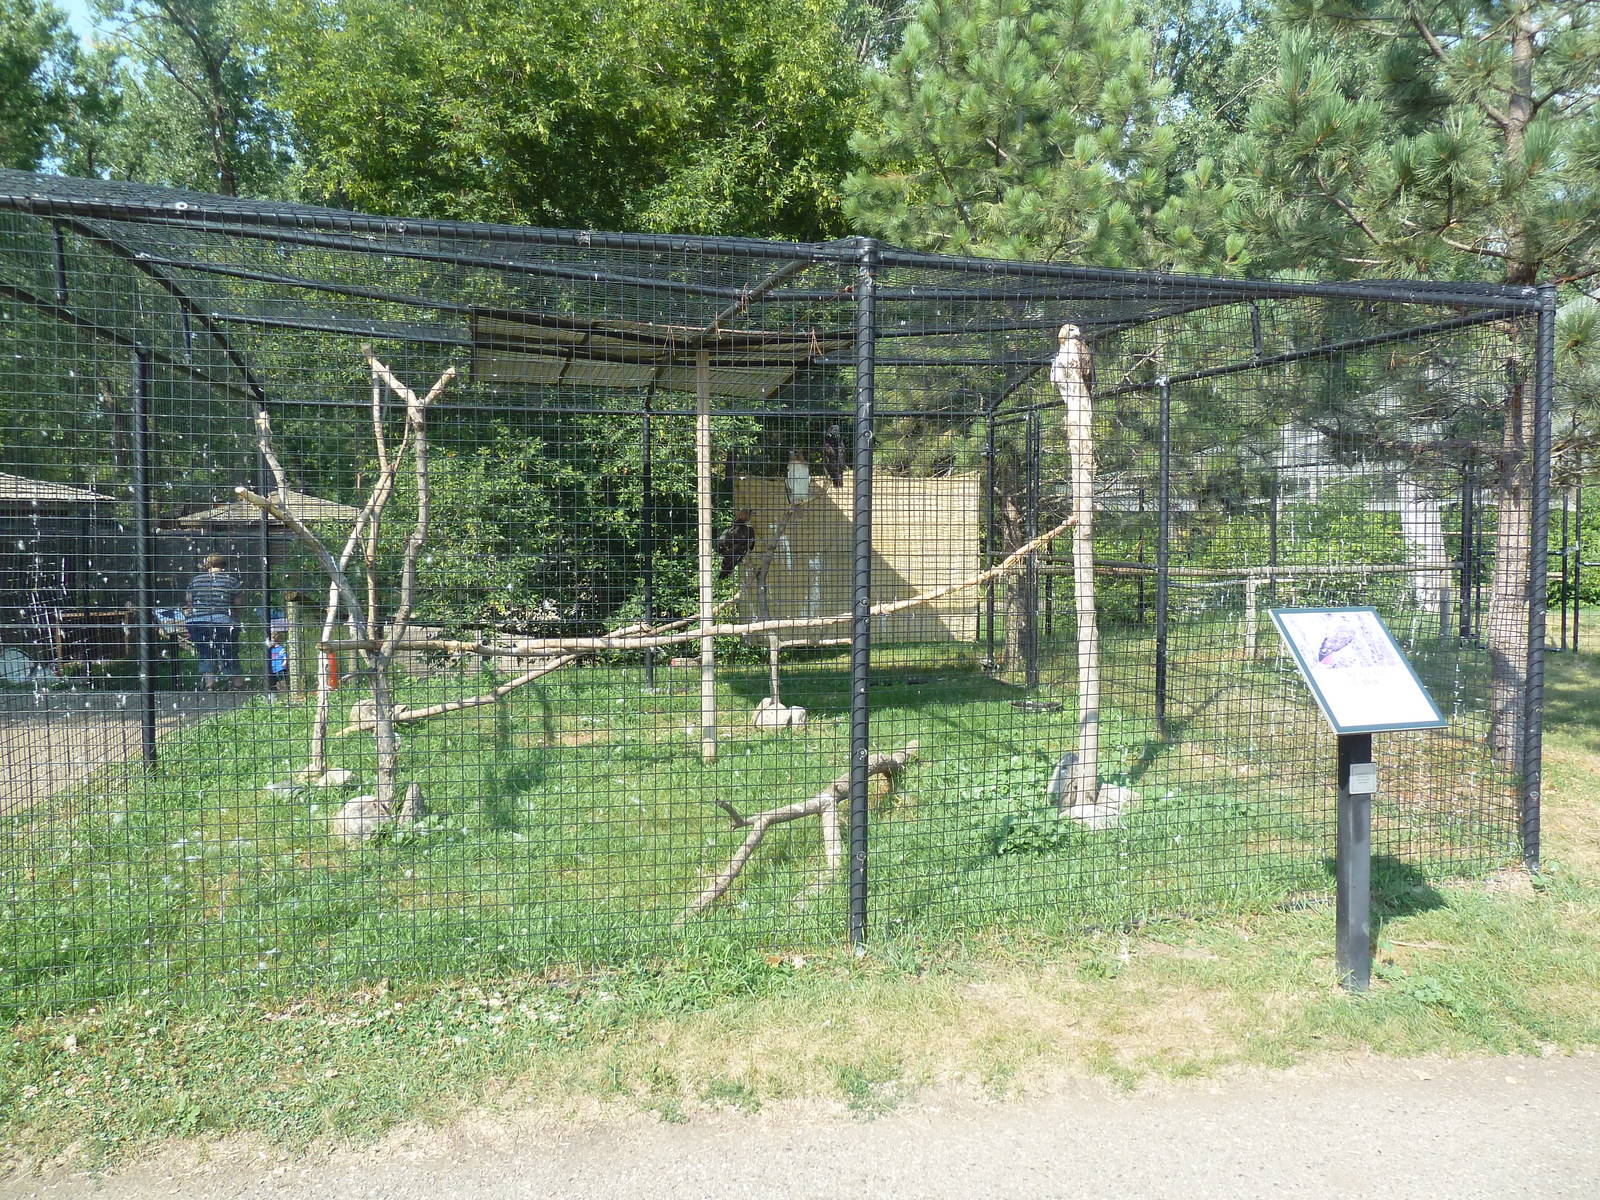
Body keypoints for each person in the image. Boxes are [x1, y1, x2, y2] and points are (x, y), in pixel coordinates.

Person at [184, 554, 244, 691]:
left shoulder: (196, 580)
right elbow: (238, 604)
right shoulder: (231, 580)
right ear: (223, 565)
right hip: (223, 622)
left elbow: (189, 601)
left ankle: (210, 685)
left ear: (207, 566)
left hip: (198, 622)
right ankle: (237, 684)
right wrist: (234, 614)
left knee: (205, 653)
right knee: (228, 652)